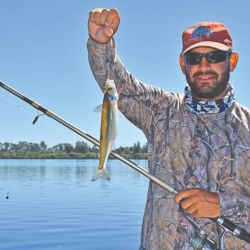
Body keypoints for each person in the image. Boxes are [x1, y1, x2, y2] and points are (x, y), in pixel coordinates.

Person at [87, 8, 250, 250]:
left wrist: (222, 205)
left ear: (232, 61)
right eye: (194, 59)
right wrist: (101, 44)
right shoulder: (162, 111)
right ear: (183, 64)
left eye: (214, 56)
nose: (204, 66)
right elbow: (117, 85)